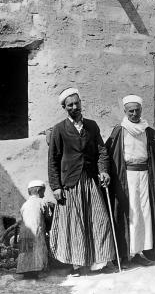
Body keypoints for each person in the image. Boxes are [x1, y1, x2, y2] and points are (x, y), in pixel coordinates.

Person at [48, 88, 114, 276]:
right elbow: (53, 159)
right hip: (70, 182)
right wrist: (55, 187)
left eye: (77, 103)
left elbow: (102, 151)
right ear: (64, 107)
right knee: (75, 223)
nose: (75, 107)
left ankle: (100, 261)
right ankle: (78, 264)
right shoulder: (59, 129)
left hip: (90, 180)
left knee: (98, 219)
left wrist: (103, 171)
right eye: (70, 105)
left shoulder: (91, 126)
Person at [106, 95, 155, 268]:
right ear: (125, 111)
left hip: (145, 174)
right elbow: (110, 153)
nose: (135, 114)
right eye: (131, 111)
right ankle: (127, 253)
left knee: (146, 212)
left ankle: (143, 250)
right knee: (132, 212)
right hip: (127, 176)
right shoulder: (120, 130)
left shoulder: (148, 130)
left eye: (137, 110)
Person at [16, 180, 50, 278]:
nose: (43, 195)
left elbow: (22, 218)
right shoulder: (42, 202)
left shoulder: (24, 205)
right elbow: (48, 218)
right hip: (36, 231)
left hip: (24, 232)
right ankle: (39, 270)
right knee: (38, 249)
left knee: (26, 251)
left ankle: (25, 271)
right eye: (43, 192)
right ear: (39, 191)